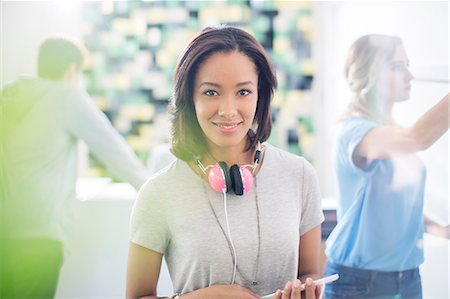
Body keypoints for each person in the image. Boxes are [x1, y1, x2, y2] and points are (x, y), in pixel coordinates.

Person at [126, 26, 324, 299]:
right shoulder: (159, 192)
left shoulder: (299, 175)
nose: (228, 111)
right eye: (211, 93)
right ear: (189, 98)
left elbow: (311, 273)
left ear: (260, 96)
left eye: (243, 92)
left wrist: (306, 290)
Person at [0, 35, 149, 298]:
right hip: (38, 234)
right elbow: (114, 151)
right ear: (72, 70)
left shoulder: (10, 97)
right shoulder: (66, 97)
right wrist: (153, 192)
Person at [324, 34, 450, 299]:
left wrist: (440, 229)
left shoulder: (394, 135)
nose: (409, 76)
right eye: (396, 66)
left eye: (407, 65)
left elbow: (398, 201)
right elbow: (417, 139)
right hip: (358, 283)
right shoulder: (354, 132)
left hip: (408, 278)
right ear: (369, 75)